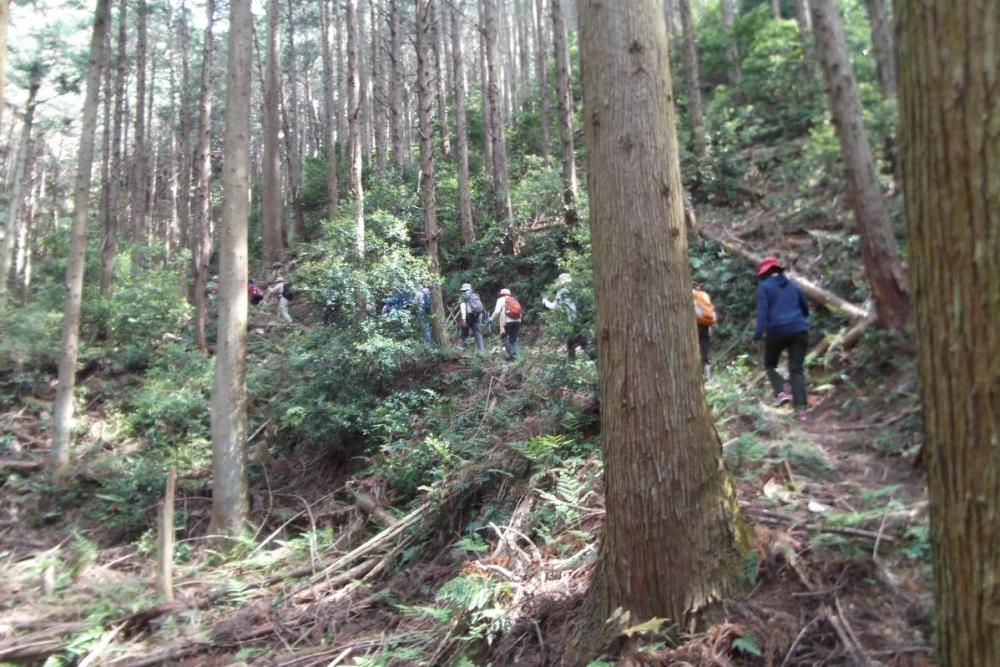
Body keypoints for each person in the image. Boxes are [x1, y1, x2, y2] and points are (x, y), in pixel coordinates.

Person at [752, 257, 810, 420]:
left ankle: (781, 393)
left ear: (765, 273)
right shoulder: (792, 284)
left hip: (776, 330)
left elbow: (762, 313)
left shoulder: (764, 287)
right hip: (799, 329)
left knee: (770, 365)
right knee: (796, 369)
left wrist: (757, 335)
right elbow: (804, 306)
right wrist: (801, 321)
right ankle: (800, 411)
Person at [542, 273, 595, 360]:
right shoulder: (577, 288)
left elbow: (554, 306)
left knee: (582, 342)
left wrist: (545, 301)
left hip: (574, 320)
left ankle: (595, 358)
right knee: (571, 342)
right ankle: (572, 363)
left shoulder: (562, 291)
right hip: (584, 317)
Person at [487, 288, 522, 360]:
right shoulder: (514, 300)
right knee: (513, 339)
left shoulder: (500, 300)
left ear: (501, 294)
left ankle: (511, 354)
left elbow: (497, 312)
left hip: (507, 321)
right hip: (517, 321)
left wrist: (491, 319)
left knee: (503, 336)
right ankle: (517, 357)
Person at [692, 286, 717, 379]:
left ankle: (698, 373)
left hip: (696, 326)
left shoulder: (692, 296)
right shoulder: (704, 296)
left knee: (696, 350)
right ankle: (707, 375)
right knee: (705, 350)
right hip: (707, 326)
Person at [458, 283, 485, 353]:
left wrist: (463, 319)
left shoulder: (463, 296)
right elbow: (480, 307)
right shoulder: (475, 295)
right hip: (477, 316)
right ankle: (482, 352)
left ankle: (464, 351)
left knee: (464, 333)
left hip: (468, 316)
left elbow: (463, 308)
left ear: (464, 290)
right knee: (478, 333)